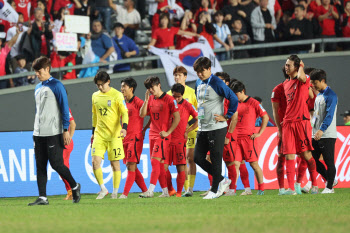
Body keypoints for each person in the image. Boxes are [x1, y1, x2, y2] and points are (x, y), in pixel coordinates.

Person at [29, 56, 81, 206]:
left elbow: (65, 109)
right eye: (35, 72)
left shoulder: (57, 85)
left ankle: (75, 186)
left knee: (56, 164)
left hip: (53, 132)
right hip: (38, 134)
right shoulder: (37, 88)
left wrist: (65, 129)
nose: (37, 75)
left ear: (47, 69)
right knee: (40, 165)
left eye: (39, 71)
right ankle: (42, 197)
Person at [193, 57, 238, 199]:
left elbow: (233, 98)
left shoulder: (217, 82)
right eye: (197, 72)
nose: (199, 74)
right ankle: (222, 180)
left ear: (209, 69)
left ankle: (214, 191)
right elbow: (200, 103)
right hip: (202, 127)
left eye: (202, 71)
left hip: (216, 128)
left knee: (215, 158)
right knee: (197, 158)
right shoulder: (198, 83)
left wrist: (227, 115)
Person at [282, 55, 318, 195]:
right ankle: (291, 189)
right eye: (286, 65)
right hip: (288, 123)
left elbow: (303, 80)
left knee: (306, 154)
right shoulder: (285, 84)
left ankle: (314, 184)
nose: (286, 67)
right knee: (289, 156)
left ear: (296, 67)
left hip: (301, 122)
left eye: (289, 65)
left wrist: (302, 67)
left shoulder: (303, 79)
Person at [139, 76, 180, 198]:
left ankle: (150, 190)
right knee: (160, 164)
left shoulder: (169, 99)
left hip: (162, 136)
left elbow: (177, 118)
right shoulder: (150, 99)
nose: (151, 90)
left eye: (152, 87)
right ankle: (165, 192)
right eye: (149, 88)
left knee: (154, 160)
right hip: (152, 134)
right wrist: (146, 100)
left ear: (159, 85)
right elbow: (142, 114)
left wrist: (168, 132)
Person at [91, 71, 128, 199]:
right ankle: (103, 189)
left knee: (115, 164)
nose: (100, 88)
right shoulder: (95, 96)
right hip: (99, 135)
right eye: (98, 85)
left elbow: (125, 112)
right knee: (95, 162)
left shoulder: (117, 95)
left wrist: (124, 128)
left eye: (102, 85)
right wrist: (93, 132)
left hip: (114, 135)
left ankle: (115, 192)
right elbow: (94, 115)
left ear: (108, 82)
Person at [231, 81, 268, 195]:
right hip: (236, 139)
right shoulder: (234, 103)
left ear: (242, 91)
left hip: (248, 139)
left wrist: (259, 133)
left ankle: (261, 189)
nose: (234, 97)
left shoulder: (254, 103)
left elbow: (265, 117)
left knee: (253, 164)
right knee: (235, 164)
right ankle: (232, 190)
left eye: (236, 94)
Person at [167, 66, 198, 197]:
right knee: (181, 161)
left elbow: (198, 113)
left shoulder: (191, 92)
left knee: (190, 159)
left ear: (185, 77)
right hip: (174, 133)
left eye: (179, 75)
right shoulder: (169, 94)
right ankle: (183, 190)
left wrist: (188, 125)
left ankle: (189, 188)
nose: (177, 77)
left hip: (190, 131)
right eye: (175, 75)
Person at [119, 77, 148, 198]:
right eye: (121, 87)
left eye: (123, 87)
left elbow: (152, 114)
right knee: (131, 167)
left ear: (131, 88)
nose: (121, 89)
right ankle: (146, 191)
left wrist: (145, 129)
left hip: (135, 138)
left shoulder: (139, 102)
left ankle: (124, 194)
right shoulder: (122, 103)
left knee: (131, 165)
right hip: (124, 138)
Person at [310, 69, 338, 194]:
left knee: (328, 161)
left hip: (327, 134)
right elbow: (316, 114)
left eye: (315, 83)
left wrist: (321, 130)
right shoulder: (319, 95)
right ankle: (330, 180)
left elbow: (329, 115)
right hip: (316, 133)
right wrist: (313, 126)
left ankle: (329, 188)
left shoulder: (331, 95)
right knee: (312, 160)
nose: (313, 85)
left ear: (322, 81)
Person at [215, 72, 239, 196]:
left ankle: (232, 190)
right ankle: (216, 187)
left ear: (227, 83)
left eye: (220, 80)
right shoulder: (216, 96)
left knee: (230, 163)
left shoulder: (230, 97)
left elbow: (234, 117)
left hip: (227, 135)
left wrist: (228, 136)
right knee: (211, 160)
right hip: (216, 134)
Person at [271, 67, 288, 195]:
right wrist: (279, 128)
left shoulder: (302, 87)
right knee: (282, 157)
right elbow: (275, 111)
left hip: (299, 126)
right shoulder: (278, 89)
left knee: (306, 155)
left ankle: (307, 185)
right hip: (285, 128)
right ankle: (282, 188)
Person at [62, 108, 76, 200]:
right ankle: (71, 190)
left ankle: (72, 190)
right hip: (59, 143)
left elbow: (73, 124)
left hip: (65, 144)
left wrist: (69, 138)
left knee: (62, 167)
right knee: (61, 167)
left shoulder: (65, 109)